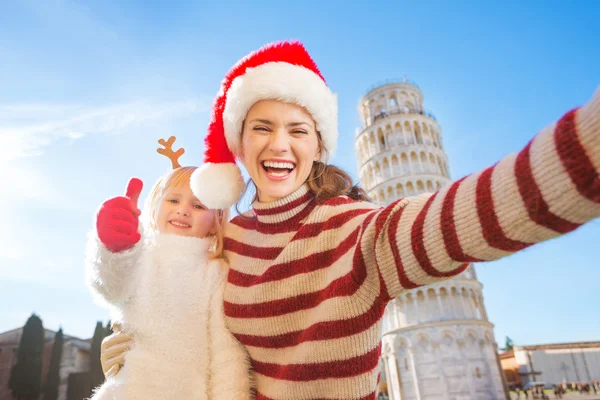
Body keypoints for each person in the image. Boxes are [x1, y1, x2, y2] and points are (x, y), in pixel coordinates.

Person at [102, 41, 600, 400]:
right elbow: (186, 320)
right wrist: (133, 358)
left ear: (318, 146)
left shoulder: (358, 231)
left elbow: (472, 214)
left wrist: (588, 147)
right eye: (262, 128)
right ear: (240, 147)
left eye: (298, 130)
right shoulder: (229, 240)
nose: (279, 144)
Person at [86, 137, 253, 399]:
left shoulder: (216, 272)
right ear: (155, 207)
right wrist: (114, 249)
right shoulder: (140, 254)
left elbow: (226, 351)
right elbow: (113, 287)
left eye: (198, 205)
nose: (183, 211)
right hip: (128, 390)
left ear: (216, 220)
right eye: (173, 201)